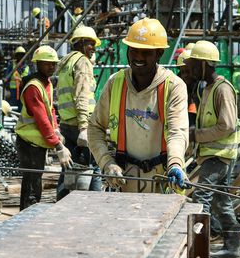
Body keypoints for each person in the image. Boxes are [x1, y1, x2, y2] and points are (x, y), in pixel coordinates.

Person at [88, 18, 189, 194]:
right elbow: (95, 127)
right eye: (134, 50)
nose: (138, 57)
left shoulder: (173, 86)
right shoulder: (116, 83)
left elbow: (177, 132)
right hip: (124, 182)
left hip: (161, 182)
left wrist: (175, 164)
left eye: (146, 52)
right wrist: (106, 163)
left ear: (158, 54)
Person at [182, 40, 240, 258]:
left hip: (220, 156)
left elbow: (226, 125)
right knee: (222, 202)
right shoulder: (207, 88)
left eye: (193, 64)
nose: (189, 69)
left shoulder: (223, 89)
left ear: (204, 64)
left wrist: (196, 134)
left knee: (202, 197)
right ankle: (232, 247)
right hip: (214, 155)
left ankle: (199, 247)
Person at [15, 45, 73, 210]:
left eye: (54, 63)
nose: (51, 67)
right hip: (28, 143)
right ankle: (25, 221)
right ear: (37, 63)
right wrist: (58, 145)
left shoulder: (46, 83)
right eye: (47, 63)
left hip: (37, 143)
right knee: (32, 187)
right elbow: (41, 119)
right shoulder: (34, 86)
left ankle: (27, 217)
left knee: (35, 183)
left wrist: (56, 129)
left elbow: (50, 110)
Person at [55, 25, 104, 198]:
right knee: (93, 167)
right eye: (91, 44)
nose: (93, 49)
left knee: (69, 169)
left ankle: (61, 204)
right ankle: (93, 206)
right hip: (80, 124)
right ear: (82, 43)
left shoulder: (67, 62)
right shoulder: (82, 62)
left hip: (68, 123)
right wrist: (84, 127)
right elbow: (81, 96)